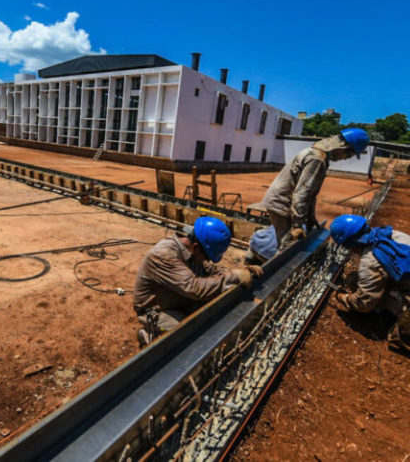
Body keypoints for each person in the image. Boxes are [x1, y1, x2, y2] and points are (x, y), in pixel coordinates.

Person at [328, 214, 410, 359]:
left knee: (368, 295)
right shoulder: (391, 234)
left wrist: (344, 297)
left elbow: (364, 303)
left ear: (351, 243)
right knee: (360, 280)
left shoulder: (371, 260)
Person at [133, 216, 262, 346]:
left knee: (212, 309)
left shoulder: (193, 252)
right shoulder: (165, 254)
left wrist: (241, 271)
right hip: (155, 310)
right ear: (196, 246)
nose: (208, 261)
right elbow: (195, 288)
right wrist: (233, 276)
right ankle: (149, 334)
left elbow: (212, 270)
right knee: (190, 336)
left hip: (179, 301)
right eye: (207, 256)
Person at [261, 128, 370, 249]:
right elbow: (302, 193)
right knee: (288, 245)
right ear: (343, 147)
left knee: (287, 241)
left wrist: (311, 217)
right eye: (349, 155)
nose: (345, 159)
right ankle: (268, 264)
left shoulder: (318, 154)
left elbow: (310, 194)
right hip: (281, 203)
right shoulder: (317, 159)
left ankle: (256, 256)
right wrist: (297, 225)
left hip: (282, 200)